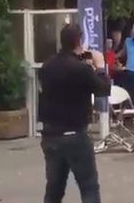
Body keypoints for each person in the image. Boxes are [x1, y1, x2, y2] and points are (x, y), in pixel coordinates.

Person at [39, 24, 112, 203]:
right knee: (88, 187)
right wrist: (100, 66)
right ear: (79, 42)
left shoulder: (47, 66)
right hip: (75, 135)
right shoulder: (81, 69)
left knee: (54, 190)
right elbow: (104, 89)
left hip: (51, 136)